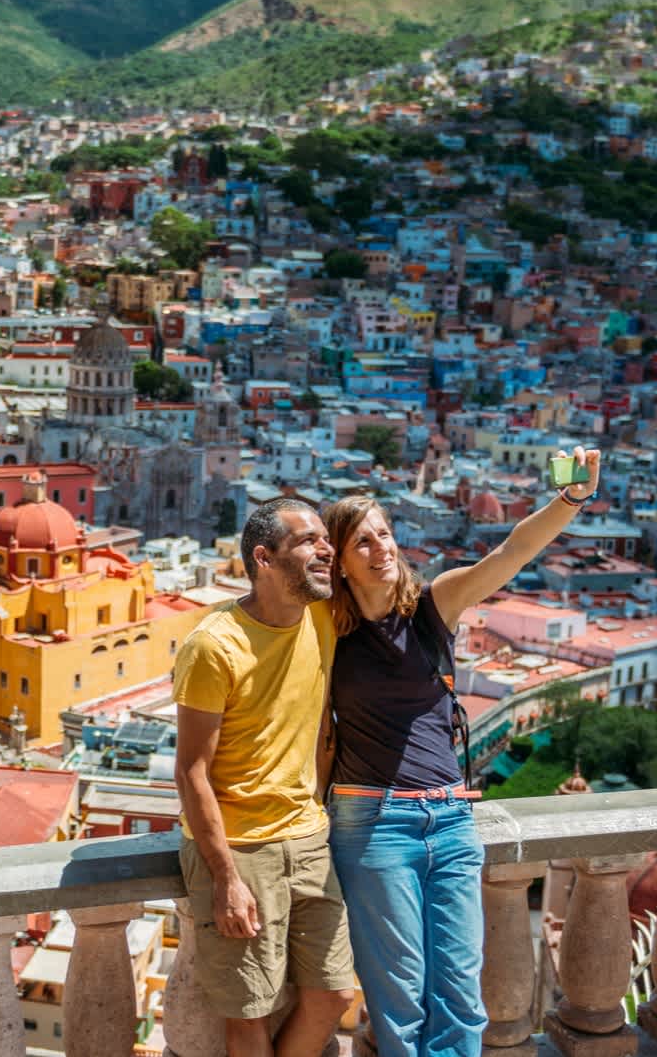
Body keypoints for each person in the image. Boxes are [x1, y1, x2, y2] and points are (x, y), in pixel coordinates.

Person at [321, 446, 602, 1057]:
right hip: (373, 823)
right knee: (399, 1000)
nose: (383, 548)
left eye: (386, 534)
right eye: (363, 542)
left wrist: (571, 500)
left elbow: (511, 553)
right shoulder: (326, 632)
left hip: (450, 820)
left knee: (461, 998)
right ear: (339, 563)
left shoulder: (432, 607)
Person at [173, 496, 357, 1057]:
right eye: (308, 541)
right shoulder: (214, 645)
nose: (326, 549)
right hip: (240, 850)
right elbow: (192, 772)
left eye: (326, 539)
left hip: (308, 839)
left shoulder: (321, 616)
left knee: (333, 993)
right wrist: (225, 876)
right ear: (264, 558)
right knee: (249, 1012)